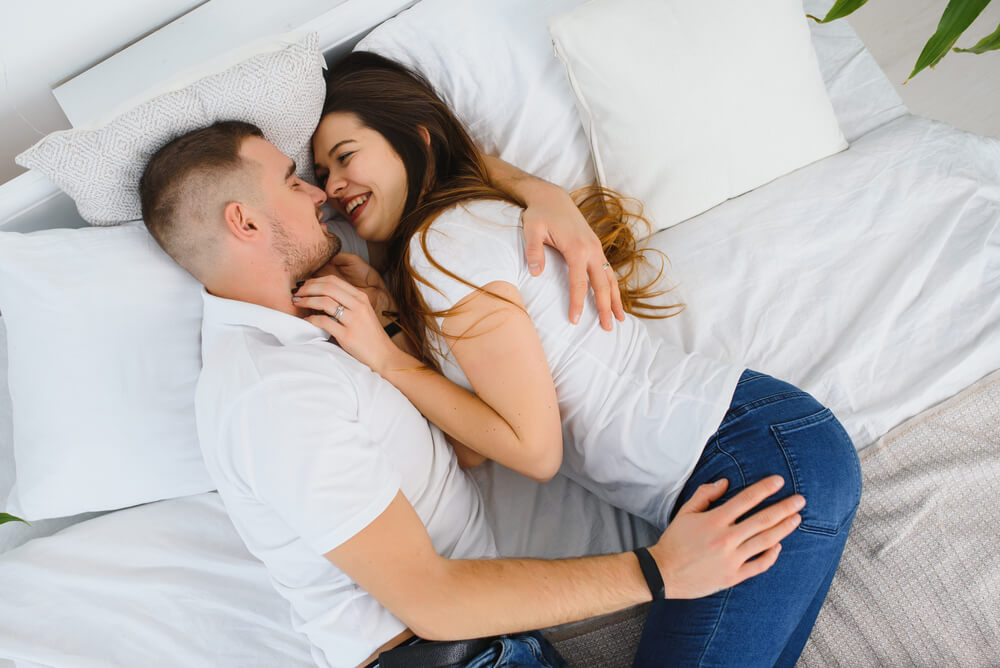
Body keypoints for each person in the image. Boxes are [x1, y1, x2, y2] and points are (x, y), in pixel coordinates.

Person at [140, 119, 812, 668]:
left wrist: (390, 326)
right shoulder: (272, 395)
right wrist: (660, 572)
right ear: (245, 223)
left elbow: (465, 455)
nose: (319, 194)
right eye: (291, 181)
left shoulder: (318, 333)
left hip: (485, 643)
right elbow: (431, 600)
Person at [299, 52, 863, 666]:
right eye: (323, 171)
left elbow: (535, 452)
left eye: (346, 156)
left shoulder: (441, 246)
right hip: (762, 447)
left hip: (742, 459)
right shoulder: (440, 250)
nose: (331, 187)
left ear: (416, 140)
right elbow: (473, 447)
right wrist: (390, 325)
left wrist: (383, 357)